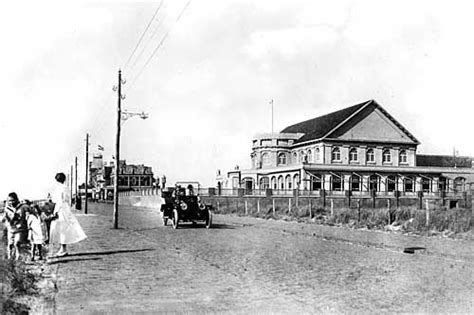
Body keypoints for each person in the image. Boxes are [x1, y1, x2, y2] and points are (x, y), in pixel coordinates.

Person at [49, 172, 87, 257]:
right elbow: (69, 200)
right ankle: (62, 248)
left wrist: (55, 211)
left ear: (57, 180)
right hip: (66, 209)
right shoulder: (67, 188)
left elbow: (59, 201)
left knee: (61, 228)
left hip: (61, 209)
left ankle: (63, 249)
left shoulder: (59, 188)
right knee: (64, 228)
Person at [1, 192, 29, 260]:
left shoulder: (23, 207)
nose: (11, 202)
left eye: (13, 200)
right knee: (10, 244)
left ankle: (18, 257)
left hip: (20, 228)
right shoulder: (7, 208)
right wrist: (5, 218)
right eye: (9, 200)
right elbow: (3, 218)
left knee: (17, 243)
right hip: (11, 229)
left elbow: (31, 212)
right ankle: (9, 258)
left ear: (16, 200)